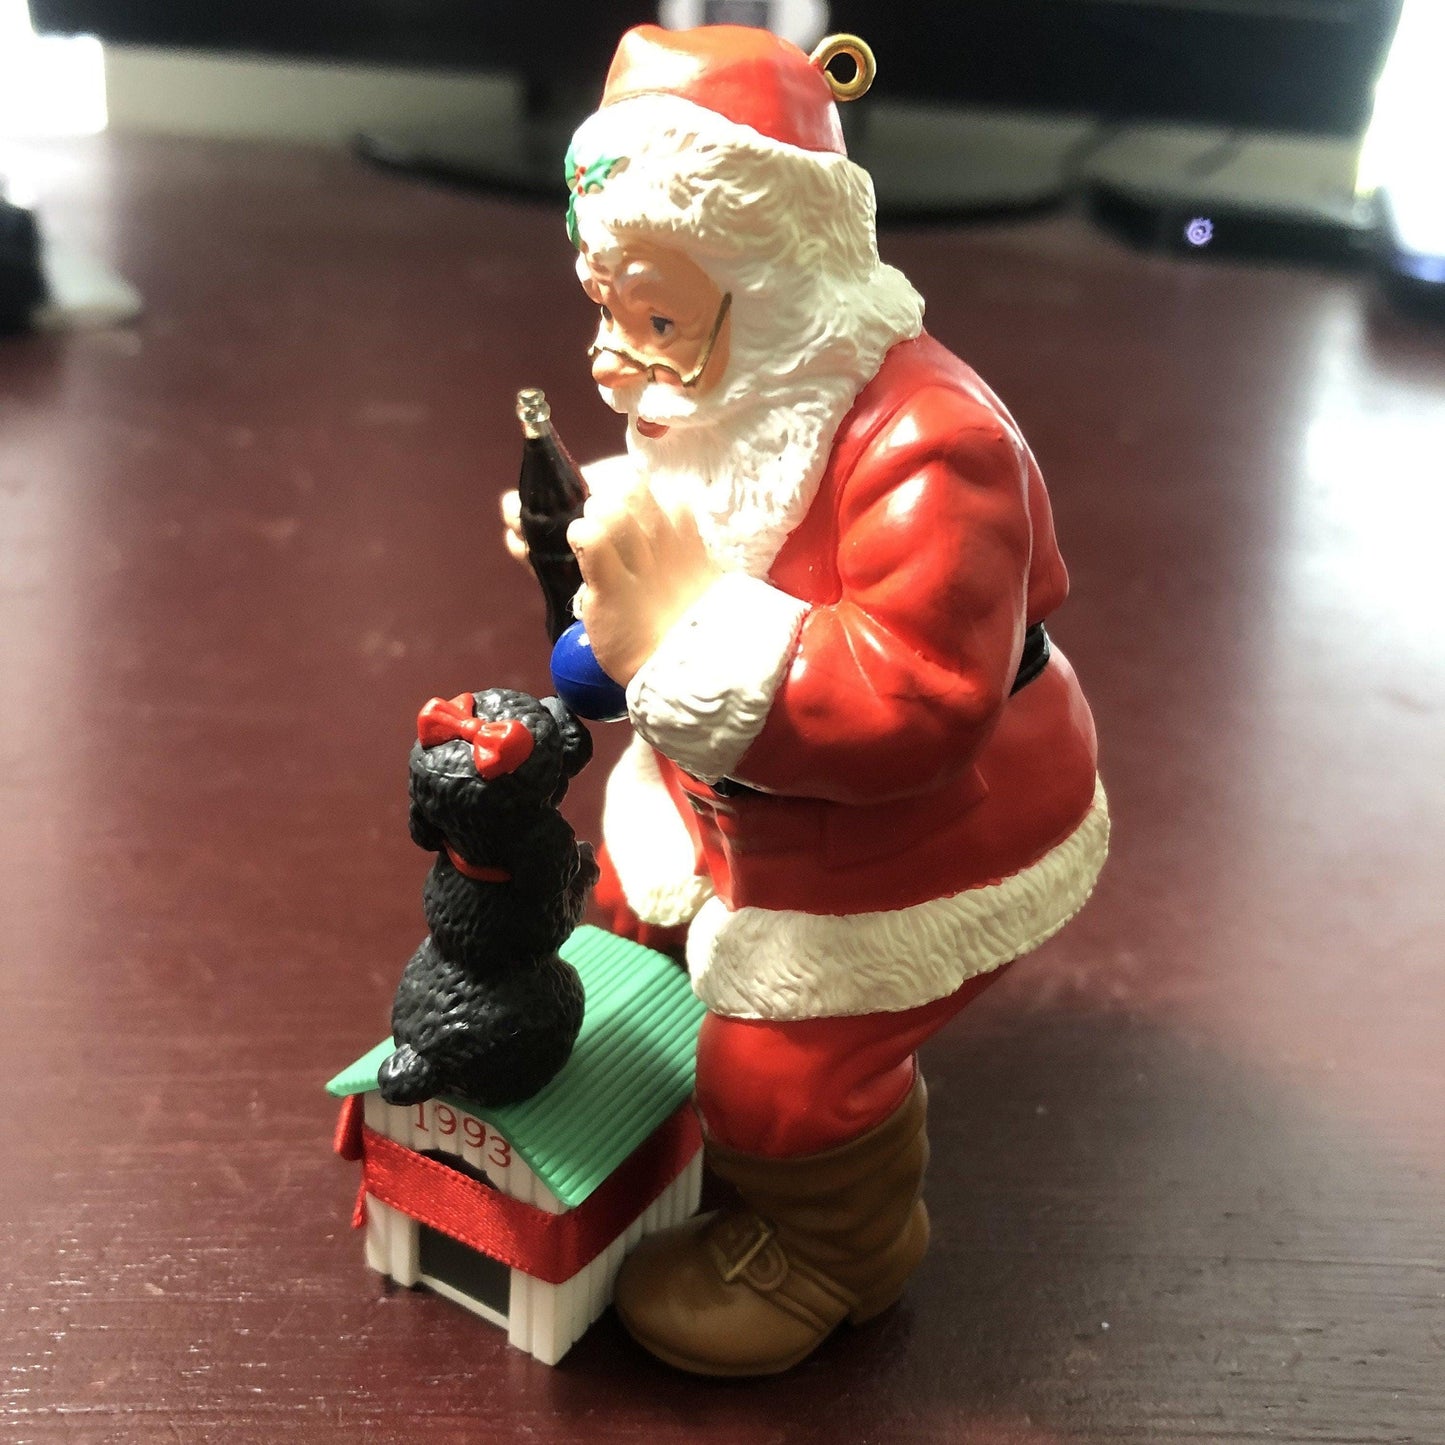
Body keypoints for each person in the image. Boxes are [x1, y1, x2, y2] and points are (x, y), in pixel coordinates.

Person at [501, 24, 1109, 1376]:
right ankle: (672, 1114)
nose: (613, 358)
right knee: (629, 919)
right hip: (728, 792)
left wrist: (677, 621)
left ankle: (837, 1244)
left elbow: (916, 699)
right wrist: (596, 547)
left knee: (778, 1074)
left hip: (928, 824)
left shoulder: (935, 446)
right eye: (605, 309)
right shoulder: (727, 383)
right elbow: (704, 523)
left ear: (776, 283)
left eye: (656, 318)